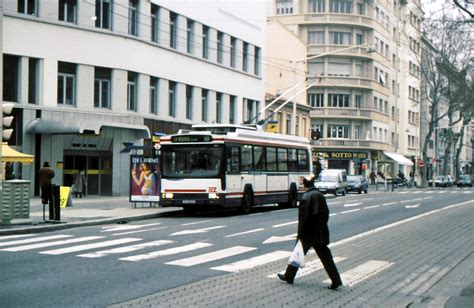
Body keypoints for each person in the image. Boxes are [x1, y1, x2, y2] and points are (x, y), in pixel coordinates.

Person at [277, 175, 342, 290]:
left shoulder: (305, 197)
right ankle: (336, 280)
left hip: (307, 233)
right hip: (320, 232)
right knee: (326, 257)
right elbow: (326, 213)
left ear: (304, 185)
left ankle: (289, 276)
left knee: (297, 253)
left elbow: (303, 218)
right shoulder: (320, 196)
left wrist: (299, 234)